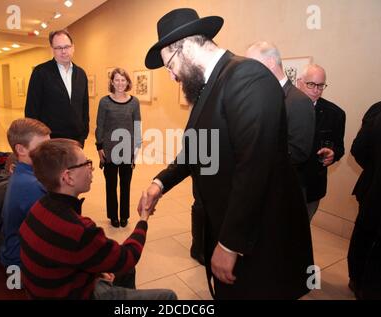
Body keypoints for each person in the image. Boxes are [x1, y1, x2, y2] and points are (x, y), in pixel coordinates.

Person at [140, 8, 314, 299]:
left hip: (258, 237)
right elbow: (197, 149)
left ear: (187, 46)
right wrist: (160, 183)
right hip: (229, 222)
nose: (172, 76)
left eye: (169, 65)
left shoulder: (247, 76)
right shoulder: (210, 85)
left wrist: (230, 244)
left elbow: (256, 165)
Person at [20, 138, 177, 300]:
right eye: (86, 163)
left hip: (54, 288)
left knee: (124, 270)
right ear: (68, 177)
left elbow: (63, 256)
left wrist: (96, 272)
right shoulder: (78, 229)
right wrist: (144, 218)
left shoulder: (39, 207)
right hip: (76, 294)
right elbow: (128, 257)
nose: (92, 167)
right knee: (167, 297)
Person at [246, 41, 315, 192]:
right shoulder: (260, 95)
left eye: (252, 64)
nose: (248, 70)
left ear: (271, 62)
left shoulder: (298, 101)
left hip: (282, 187)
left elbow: (298, 152)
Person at [347, 98, 381, 299]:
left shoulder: (379, 108)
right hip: (375, 187)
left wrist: (376, 169)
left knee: (364, 234)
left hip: (372, 186)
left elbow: (359, 149)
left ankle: (356, 280)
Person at [297, 64, 346, 221]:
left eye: (320, 85)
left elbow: (339, 147)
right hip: (284, 181)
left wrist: (334, 154)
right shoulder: (282, 107)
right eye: (311, 84)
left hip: (312, 183)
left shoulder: (335, 114)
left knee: (301, 231)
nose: (316, 90)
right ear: (299, 82)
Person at [0, 118, 50, 268]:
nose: (50, 152)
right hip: (21, 264)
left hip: (15, 253)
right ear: (21, 150)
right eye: (43, 147)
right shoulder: (31, 186)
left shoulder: (22, 173)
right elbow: (53, 234)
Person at [25, 29, 89, 146]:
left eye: (67, 47)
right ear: (52, 49)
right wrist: (37, 138)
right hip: (50, 140)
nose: (64, 51)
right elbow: (31, 109)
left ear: (73, 47)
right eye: (58, 48)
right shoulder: (40, 72)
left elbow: (84, 106)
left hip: (76, 140)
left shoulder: (81, 74)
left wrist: (83, 134)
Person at [95, 68, 141, 228]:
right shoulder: (104, 102)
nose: (120, 83)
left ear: (127, 82)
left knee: (125, 185)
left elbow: (137, 125)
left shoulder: (134, 102)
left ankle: (124, 216)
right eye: (117, 80)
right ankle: (113, 216)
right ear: (112, 82)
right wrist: (99, 147)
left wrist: (136, 148)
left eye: (123, 80)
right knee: (111, 184)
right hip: (109, 149)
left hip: (128, 150)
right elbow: (99, 125)